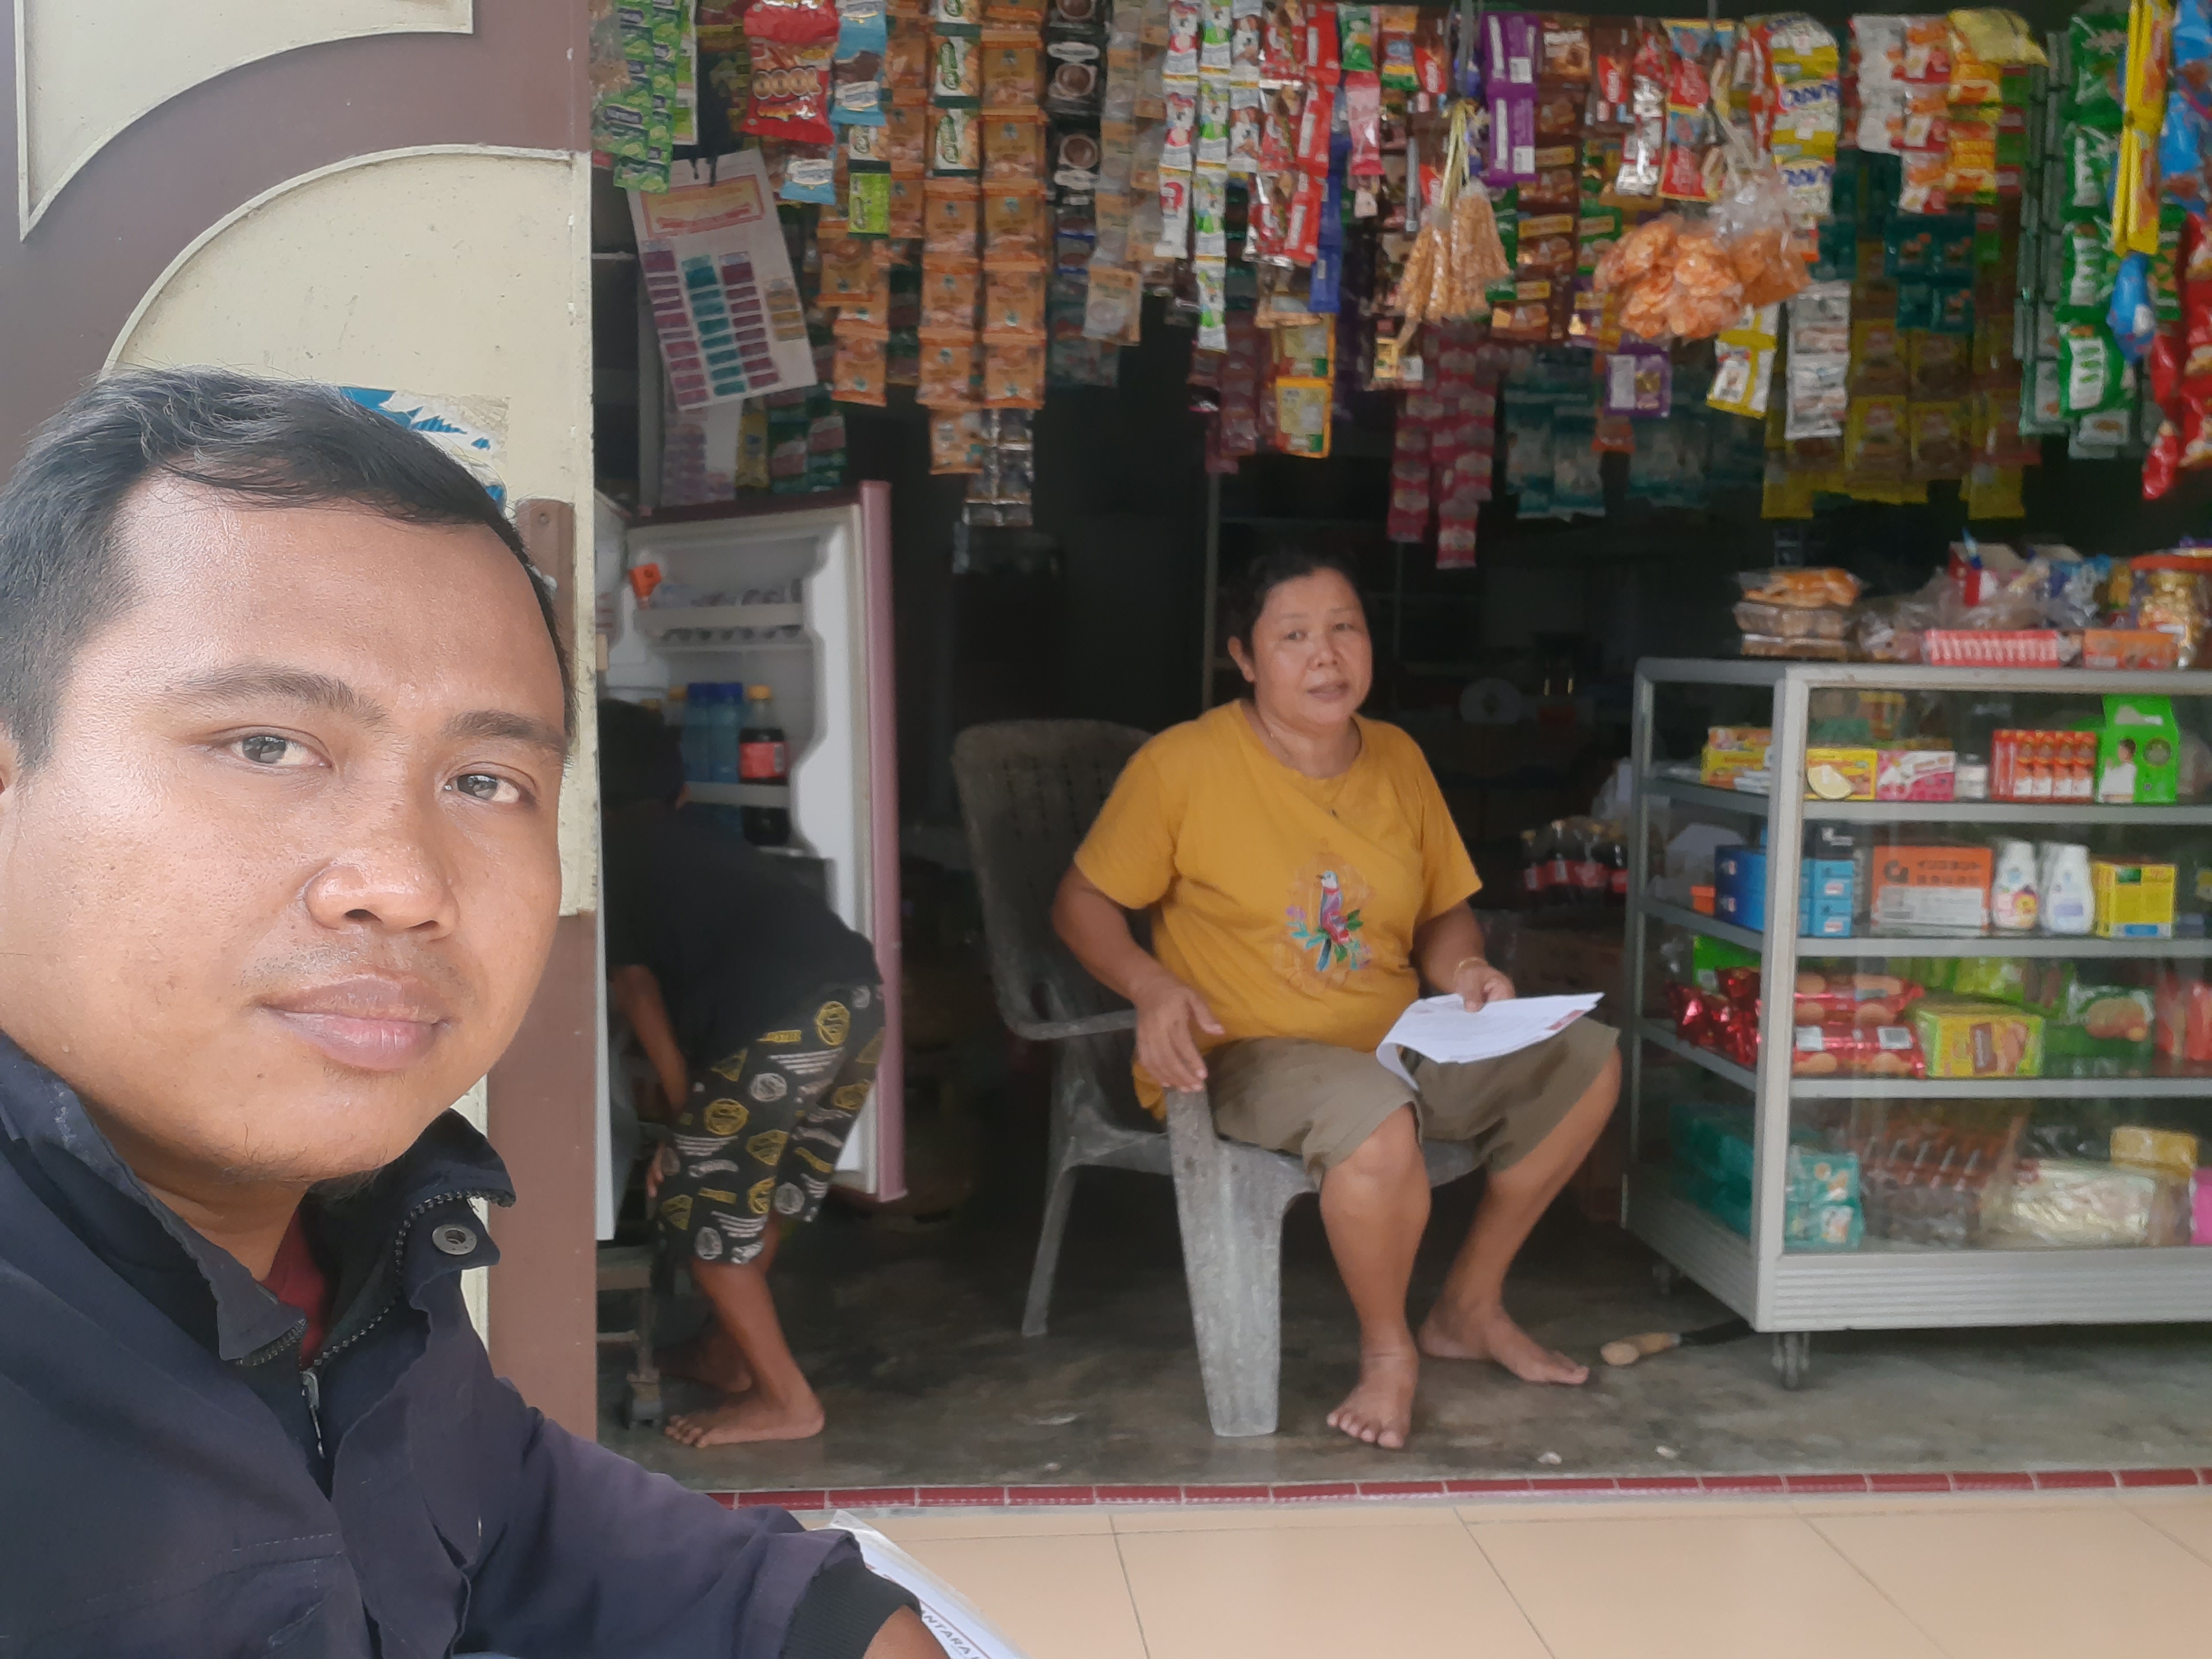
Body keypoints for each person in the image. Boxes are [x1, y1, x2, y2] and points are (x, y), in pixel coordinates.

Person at [0, 369, 941, 1659]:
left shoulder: (363, 1239)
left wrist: (830, 1619)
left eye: (487, 780)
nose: (406, 884)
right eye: (266, 744)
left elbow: (506, 1506)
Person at [1052, 548, 1619, 1452]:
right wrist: (1151, 986)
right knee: (1377, 1124)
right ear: (1244, 658)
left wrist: (1467, 971)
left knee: (1586, 1059)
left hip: (1395, 1040)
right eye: (1294, 636)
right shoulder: (1183, 765)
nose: (1326, 654)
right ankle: (1390, 1351)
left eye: (1344, 628)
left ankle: (1469, 1307)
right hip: (1243, 1053)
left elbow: (1443, 911)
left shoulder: (1397, 757)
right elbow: (1081, 901)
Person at [598, 698, 886, 1447]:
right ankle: (727, 1356)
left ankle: (788, 1401)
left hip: (783, 1024)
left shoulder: (615, 850)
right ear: (678, 791)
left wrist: (682, 1115)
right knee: (759, 1196)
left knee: (702, 1209)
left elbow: (636, 989)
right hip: (856, 1003)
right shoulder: (697, 837)